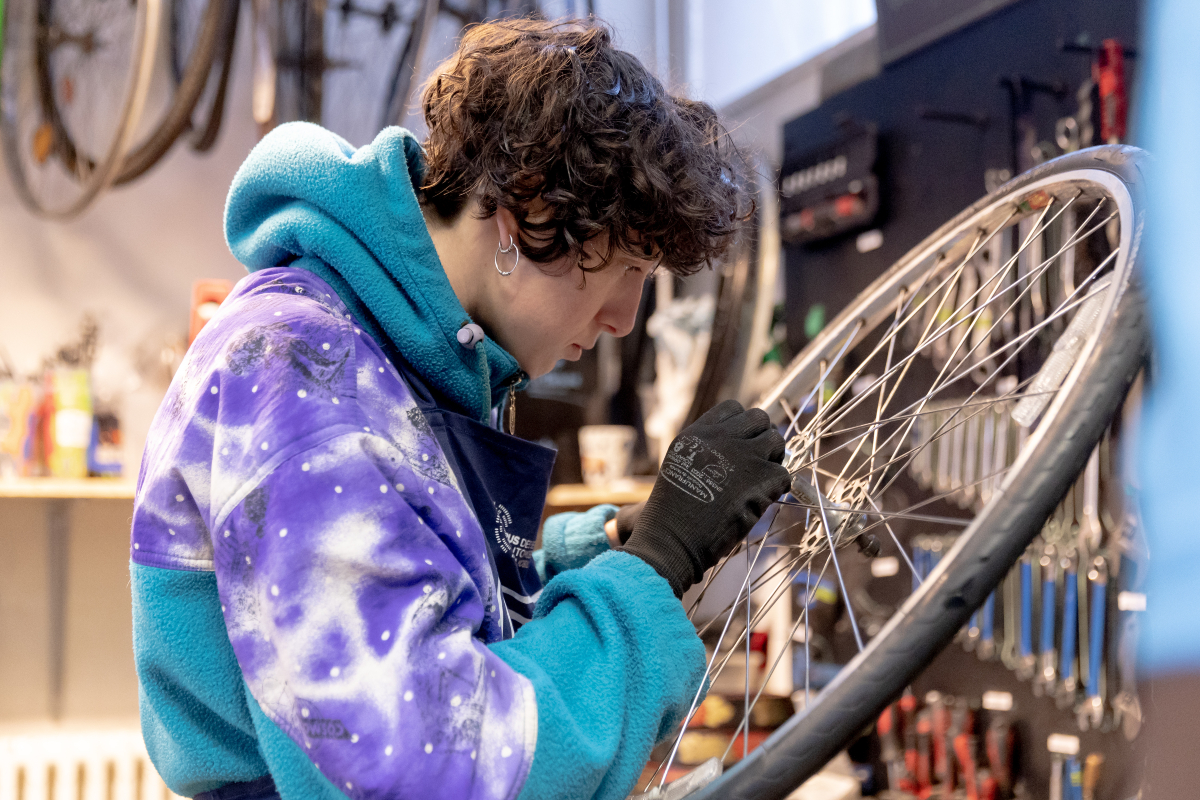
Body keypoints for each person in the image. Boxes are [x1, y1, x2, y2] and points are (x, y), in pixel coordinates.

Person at [129, 17, 791, 800]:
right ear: (522, 211)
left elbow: (431, 610)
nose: (624, 319)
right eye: (628, 267)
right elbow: (423, 763)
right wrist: (656, 565)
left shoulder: (404, 357)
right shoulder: (305, 372)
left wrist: (615, 545)